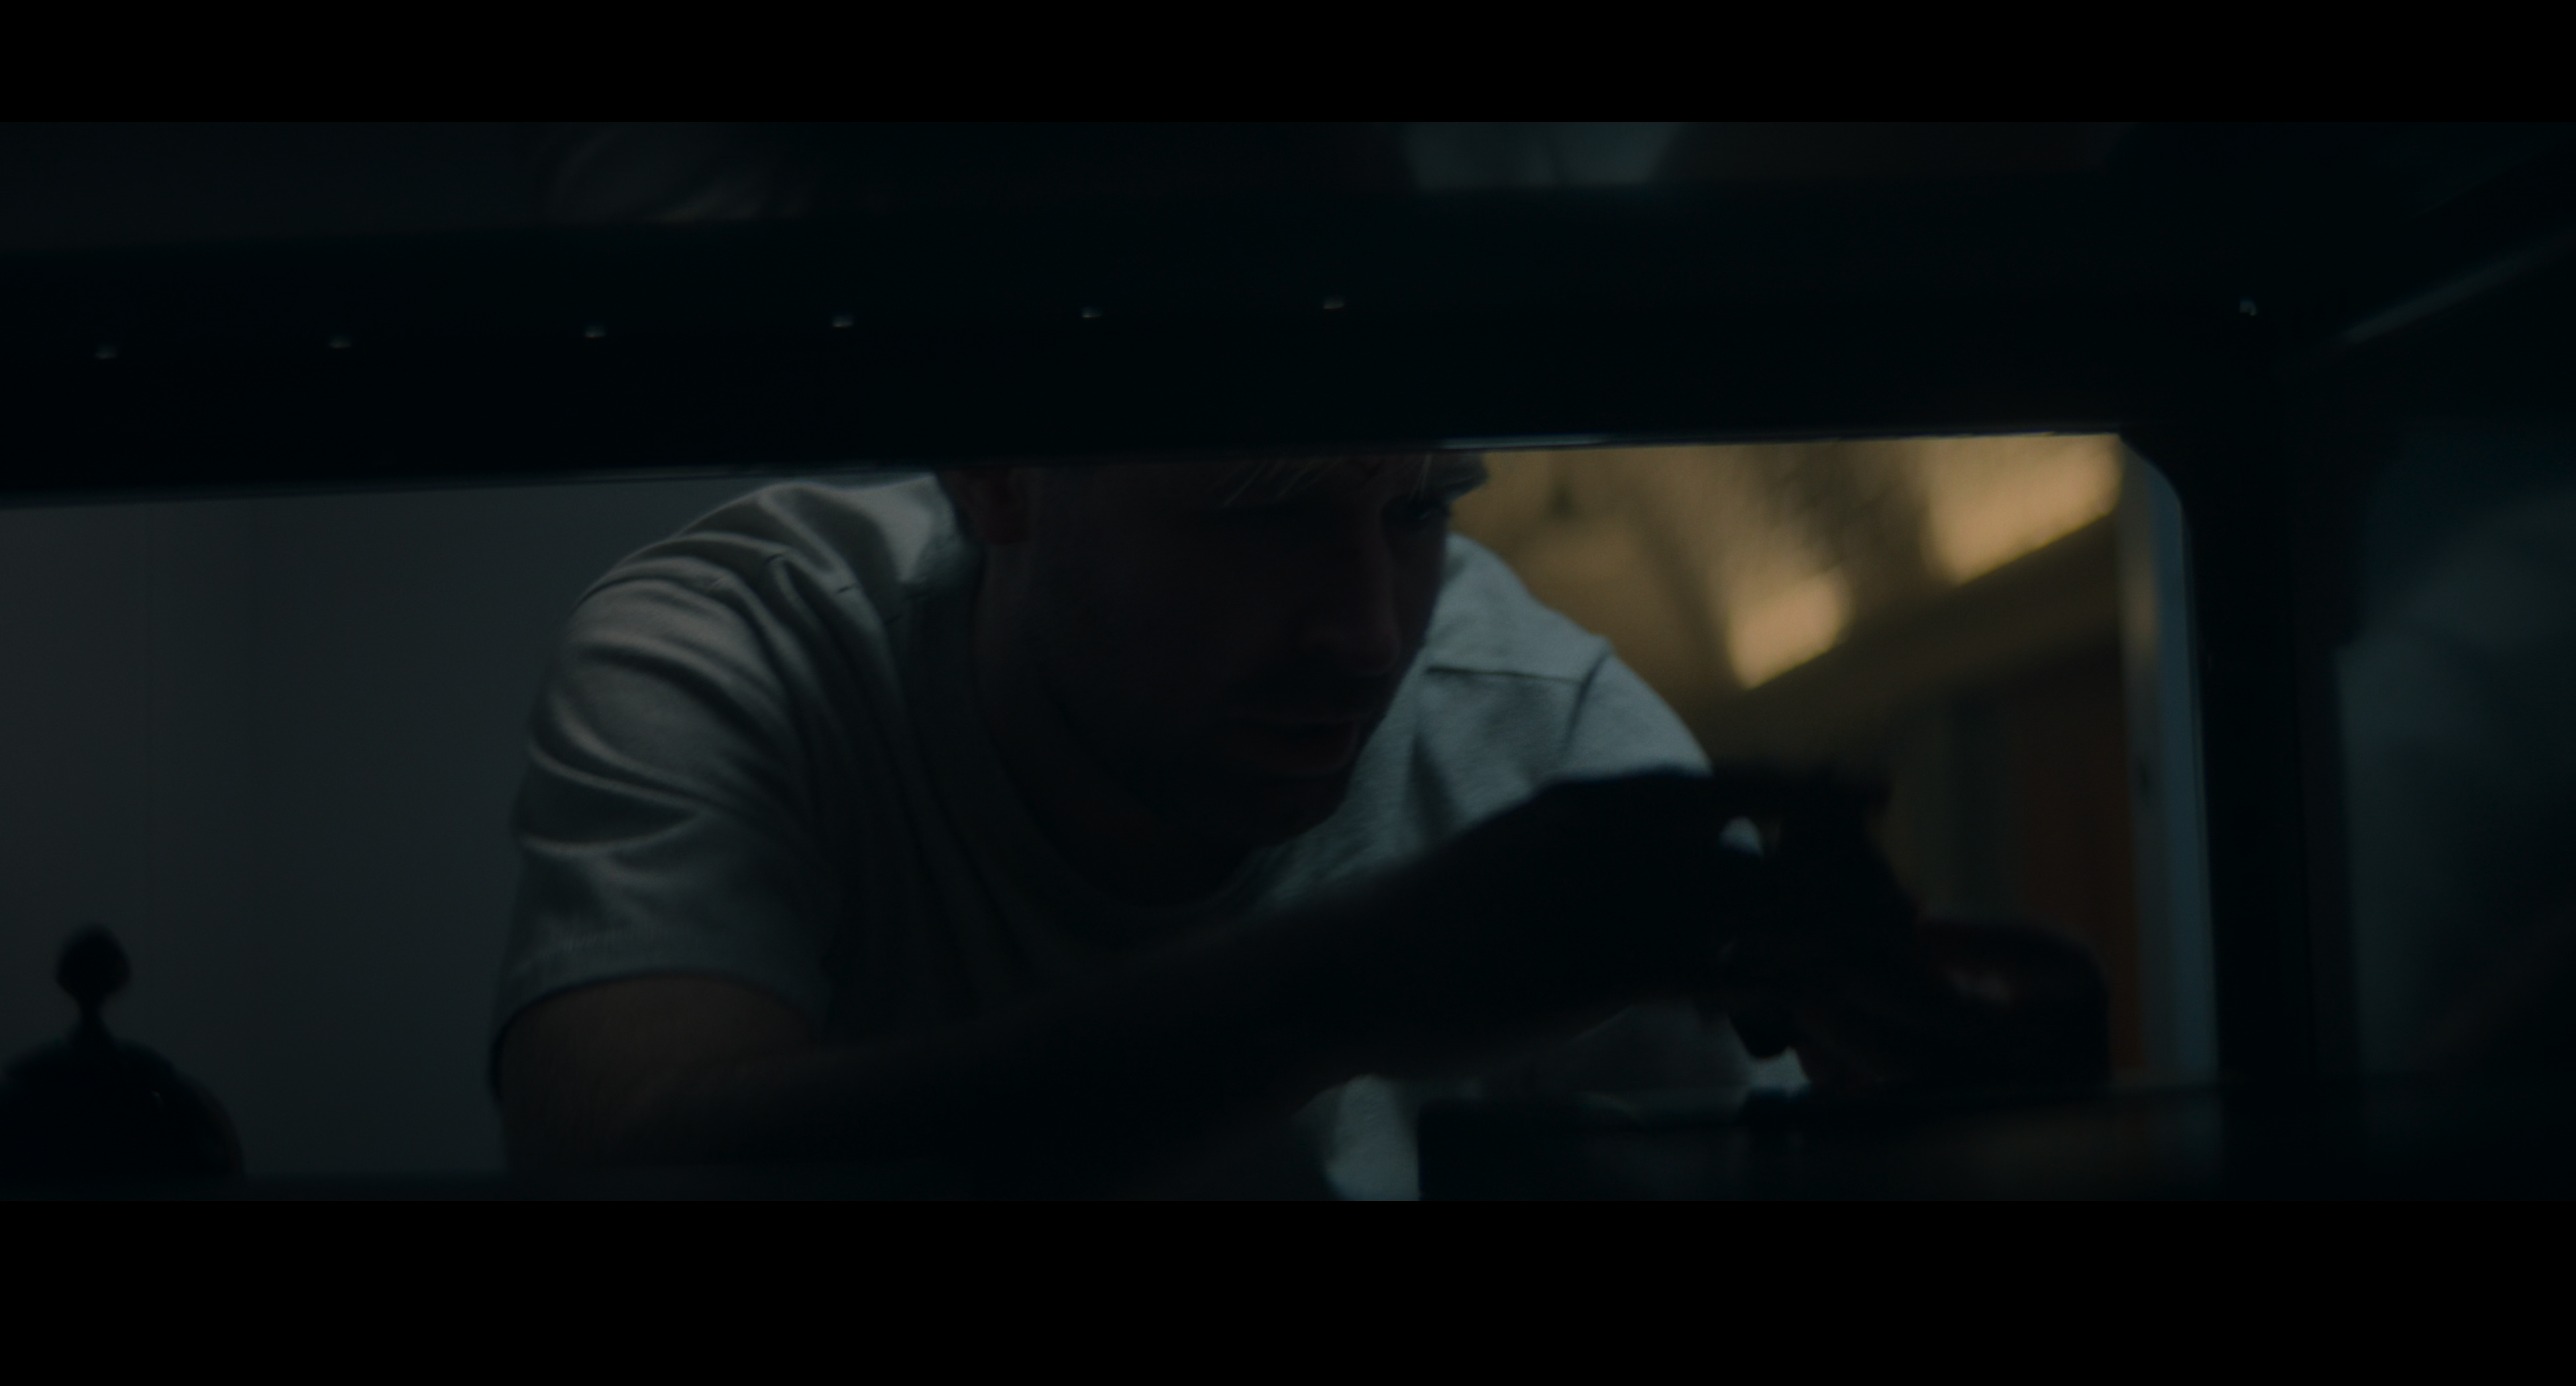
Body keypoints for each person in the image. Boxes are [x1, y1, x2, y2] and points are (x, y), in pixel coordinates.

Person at [490, 454, 2105, 1197]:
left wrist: (1944, 1132)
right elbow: (625, 1159)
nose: (1367, 635)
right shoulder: (748, 653)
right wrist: (1349, 987)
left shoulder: (1541, 721)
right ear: (997, 471)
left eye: (1417, 510)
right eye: (1258, 510)